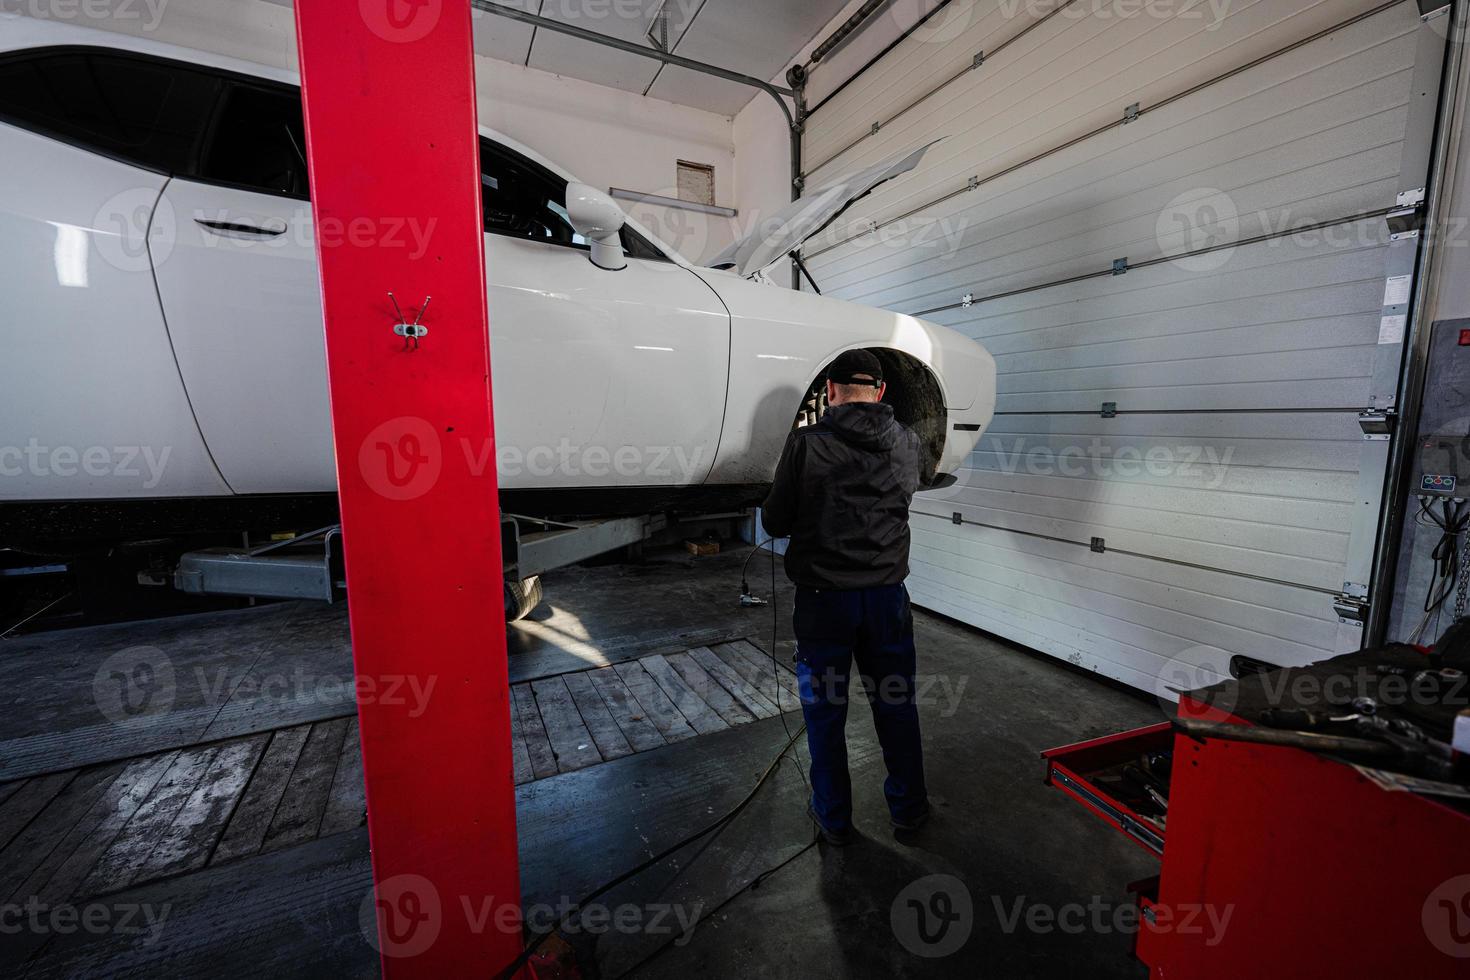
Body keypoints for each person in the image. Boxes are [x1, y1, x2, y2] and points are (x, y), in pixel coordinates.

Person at [761, 349, 929, 845]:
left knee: (825, 713)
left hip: (824, 603)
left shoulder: (807, 444)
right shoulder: (908, 443)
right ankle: (910, 813)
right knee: (897, 708)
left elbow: (774, 521)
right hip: (886, 601)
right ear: (879, 393)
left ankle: (834, 821)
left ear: (830, 391)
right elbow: (901, 497)